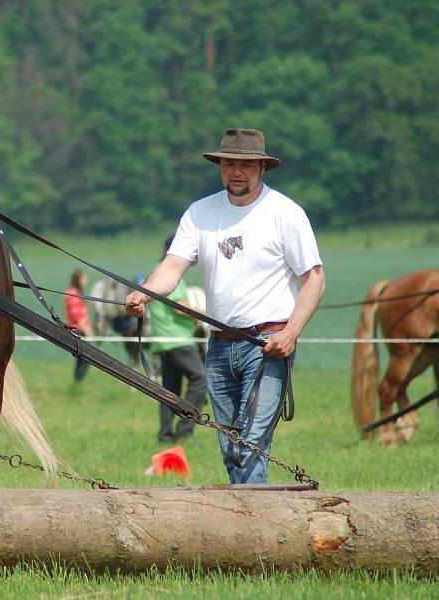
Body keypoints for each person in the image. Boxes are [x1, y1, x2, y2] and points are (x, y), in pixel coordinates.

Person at [126, 128, 325, 483]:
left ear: (262, 168)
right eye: (229, 163)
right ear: (219, 165)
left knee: (248, 446)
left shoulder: (285, 213)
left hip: (267, 346)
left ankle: (254, 530)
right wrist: (145, 292)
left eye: (246, 165)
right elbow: (172, 266)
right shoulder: (200, 213)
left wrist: (291, 333)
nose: (236, 171)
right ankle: (253, 526)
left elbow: (314, 279)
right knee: (230, 448)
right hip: (218, 345)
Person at [151, 236, 207, 444]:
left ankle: (165, 434)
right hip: (178, 339)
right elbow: (178, 306)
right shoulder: (169, 274)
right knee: (201, 378)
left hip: (163, 340)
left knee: (169, 390)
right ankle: (185, 429)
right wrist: (203, 313)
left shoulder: (157, 271)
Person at [65, 269, 94, 382]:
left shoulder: (76, 293)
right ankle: (78, 381)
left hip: (79, 330)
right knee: (86, 358)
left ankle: (77, 383)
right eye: (84, 278)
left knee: (82, 359)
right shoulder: (72, 294)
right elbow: (77, 315)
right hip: (78, 331)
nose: (86, 281)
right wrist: (88, 332)